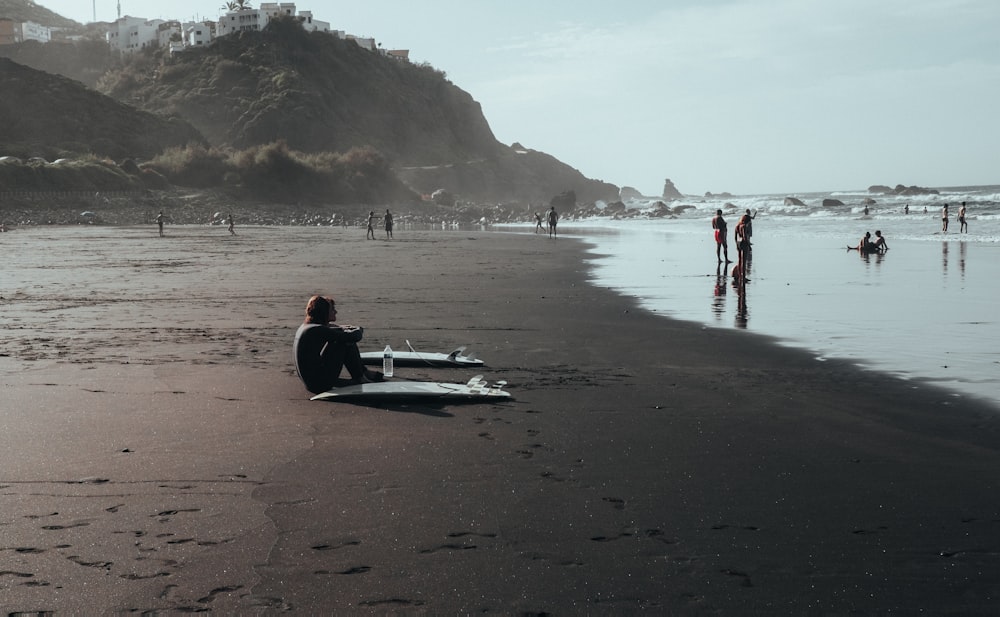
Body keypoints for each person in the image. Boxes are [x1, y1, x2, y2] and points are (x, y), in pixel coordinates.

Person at [293, 295, 383, 394]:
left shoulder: (309, 326)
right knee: (343, 342)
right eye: (332, 309)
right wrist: (358, 330)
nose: (336, 312)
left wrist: (350, 329)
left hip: (312, 383)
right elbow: (355, 337)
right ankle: (360, 377)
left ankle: (363, 373)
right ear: (324, 312)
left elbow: (338, 329)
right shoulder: (316, 330)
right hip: (320, 385)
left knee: (341, 337)